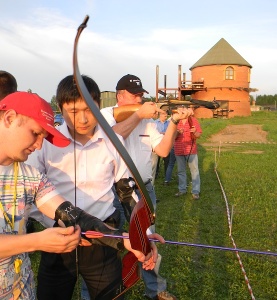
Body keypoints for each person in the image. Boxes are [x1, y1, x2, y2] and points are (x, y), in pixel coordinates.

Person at [27, 75, 162, 300]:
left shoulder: (112, 141)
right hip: (58, 239)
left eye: (89, 109)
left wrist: (144, 234)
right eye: (72, 110)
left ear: (98, 105)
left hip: (104, 239)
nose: (82, 119)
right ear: (60, 107)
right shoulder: (46, 143)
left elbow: (127, 192)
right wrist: (54, 223)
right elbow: (31, 192)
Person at [0, 91, 144, 299]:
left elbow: (71, 214)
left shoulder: (30, 176)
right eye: (35, 133)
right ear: (9, 118)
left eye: (44, 136)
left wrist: (127, 239)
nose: (40, 145)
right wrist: (37, 241)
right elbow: (37, 240)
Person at [101, 74, 193, 300]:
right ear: (120, 96)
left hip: (143, 189)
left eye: (141, 96)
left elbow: (162, 150)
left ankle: (155, 290)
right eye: (135, 95)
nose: (140, 99)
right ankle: (106, 290)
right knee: (108, 244)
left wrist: (173, 122)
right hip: (112, 191)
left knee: (148, 241)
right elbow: (113, 137)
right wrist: (139, 114)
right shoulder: (106, 115)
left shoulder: (148, 122)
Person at [174, 116, 202, 199]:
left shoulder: (193, 120)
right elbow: (172, 137)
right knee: (181, 171)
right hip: (179, 150)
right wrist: (178, 133)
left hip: (191, 150)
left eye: (183, 108)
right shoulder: (175, 121)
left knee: (194, 171)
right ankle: (182, 190)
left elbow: (198, 135)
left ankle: (195, 191)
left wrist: (195, 131)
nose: (182, 111)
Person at [152, 112, 170, 184]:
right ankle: (155, 174)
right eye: (164, 115)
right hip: (157, 144)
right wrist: (162, 133)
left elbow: (170, 132)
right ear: (160, 115)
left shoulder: (169, 123)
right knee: (156, 161)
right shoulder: (154, 123)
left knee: (167, 160)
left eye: (166, 115)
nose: (165, 116)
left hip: (166, 144)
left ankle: (167, 175)